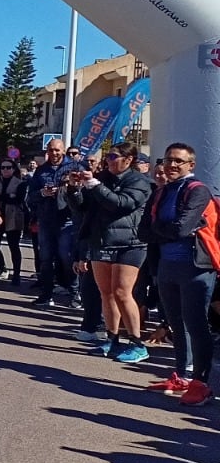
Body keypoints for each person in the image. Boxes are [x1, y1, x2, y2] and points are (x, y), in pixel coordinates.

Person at [140, 144, 218, 405]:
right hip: (166, 266)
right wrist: (168, 229)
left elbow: (181, 229)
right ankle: (183, 376)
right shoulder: (162, 191)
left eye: (179, 161)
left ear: (190, 166)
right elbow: (144, 232)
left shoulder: (198, 191)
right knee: (176, 323)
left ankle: (201, 383)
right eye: (168, 160)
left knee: (196, 325)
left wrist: (163, 229)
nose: (172, 165)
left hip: (196, 268)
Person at [66, 141, 153, 363]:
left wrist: (94, 185)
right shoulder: (103, 178)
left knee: (123, 292)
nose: (108, 161)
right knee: (106, 293)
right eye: (108, 157)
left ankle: (136, 343)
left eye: (113, 157)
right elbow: (83, 207)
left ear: (128, 159)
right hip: (101, 241)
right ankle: (111, 338)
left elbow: (121, 204)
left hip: (129, 244)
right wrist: (74, 189)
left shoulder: (140, 182)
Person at [27, 138, 75, 306]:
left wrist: (65, 189)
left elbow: (83, 193)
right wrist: (42, 193)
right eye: (51, 150)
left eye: (57, 150)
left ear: (63, 150)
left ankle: (75, 292)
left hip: (67, 220)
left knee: (67, 257)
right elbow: (30, 197)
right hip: (46, 220)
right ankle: (46, 295)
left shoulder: (74, 167)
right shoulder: (41, 171)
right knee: (46, 259)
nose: (54, 153)